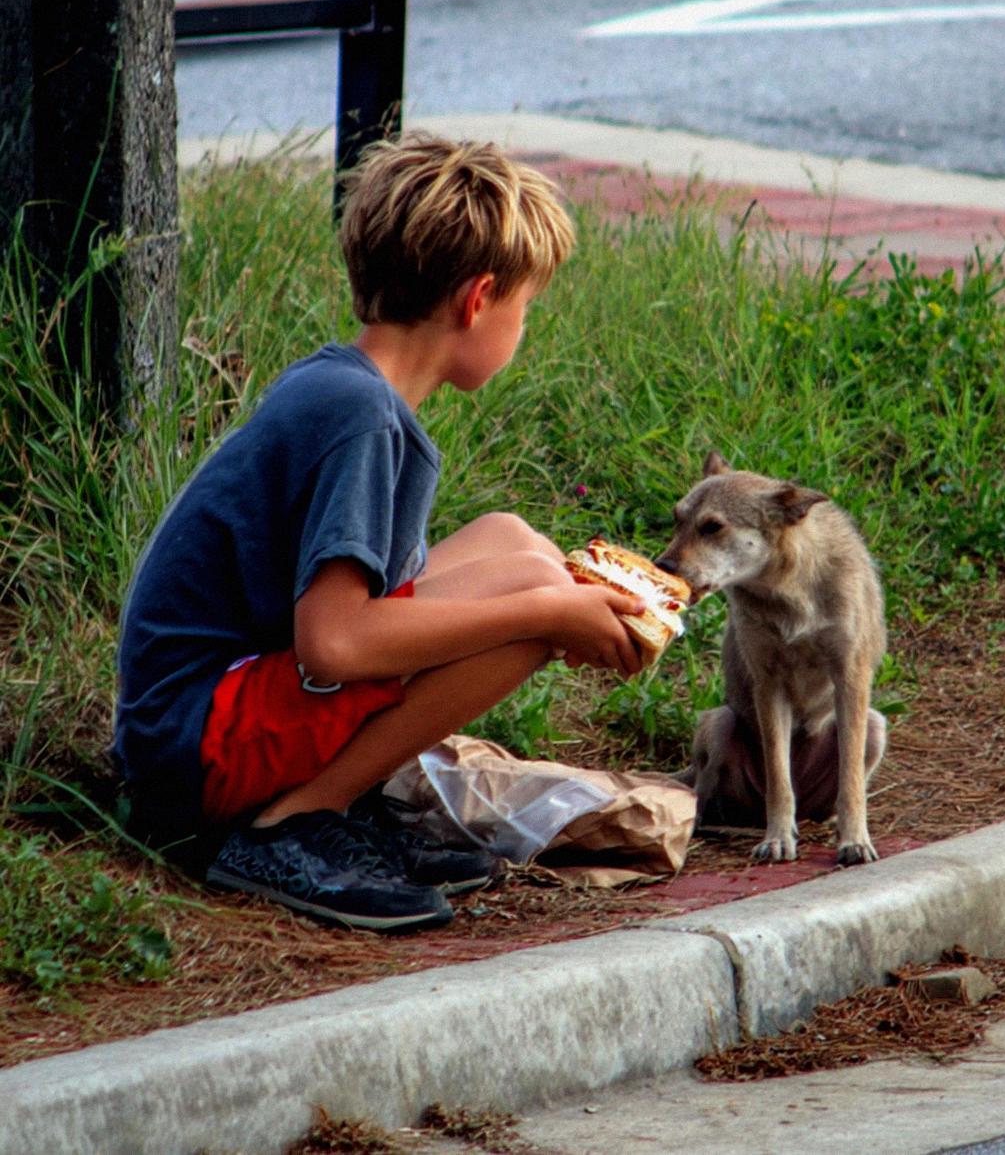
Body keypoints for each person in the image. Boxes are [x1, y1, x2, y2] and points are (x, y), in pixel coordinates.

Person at [113, 133, 645, 932]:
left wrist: (556, 595)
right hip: (198, 745)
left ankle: (325, 801)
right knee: (539, 605)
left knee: (520, 545)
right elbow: (334, 646)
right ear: (477, 300)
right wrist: (549, 618)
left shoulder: (347, 384)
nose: (523, 325)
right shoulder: (362, 419)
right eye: (524, 306)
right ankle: (294, 822)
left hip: (195, 711)